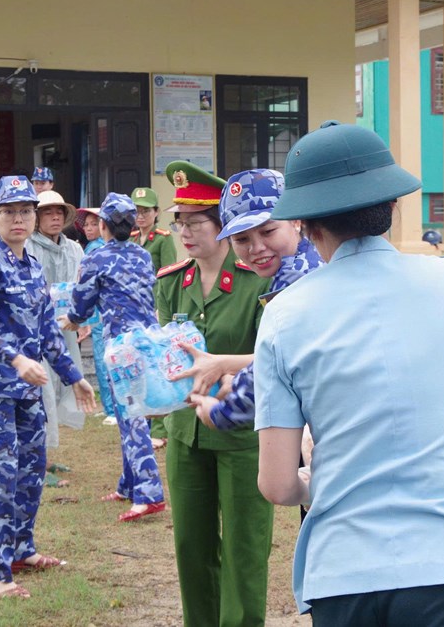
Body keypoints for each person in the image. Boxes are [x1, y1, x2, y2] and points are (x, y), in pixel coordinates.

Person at [254, 121, 444, 626]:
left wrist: (307, 480)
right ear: (393, 208)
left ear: (308, 226)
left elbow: (276, 486)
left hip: (344, 575)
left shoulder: (283, 314)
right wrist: (442, 369)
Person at [0, 174, 96, 599]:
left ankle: (22, 549)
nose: (18, 219)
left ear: (33, 218)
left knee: (32, 471)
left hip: (27, 389)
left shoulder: (32, 267)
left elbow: (47, 332)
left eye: (25, 212)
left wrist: (75, 378)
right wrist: (18, 360)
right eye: (8, 212)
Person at [154, 161, 272, 627]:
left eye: (195, 222)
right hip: (186, 432)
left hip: (242, 434)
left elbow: (270, 359)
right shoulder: (171, 282)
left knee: (244, 547)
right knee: (191, 547)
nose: (184, 231)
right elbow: (165, 357)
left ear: (224, 228)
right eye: (178, 221)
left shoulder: (258, 281)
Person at [184, 168, 323, 432]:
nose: (256, 248)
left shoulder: (296, 278)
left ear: (296, 221)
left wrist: (220, 413)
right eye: (241, 239)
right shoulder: (309, 259)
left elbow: (273, 364)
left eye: (268, 231)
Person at [63, 193, 166, 523]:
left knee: (131, 416)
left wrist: (71, 320)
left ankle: (149, 493)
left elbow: (81, 304)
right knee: (132, 413)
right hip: (147, 341)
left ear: (103, 225)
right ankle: (129, 483)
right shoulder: (142, 255)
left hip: (120, 346)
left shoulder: (96, 259)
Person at [24, 190, 87, 450]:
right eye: (47, 212)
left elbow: (85, 286)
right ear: (37, 218)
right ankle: (42, 453)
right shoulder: (26, 246)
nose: (54, 218)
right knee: (42, 389)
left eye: (58, 212)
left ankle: (49, 450)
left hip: (67, 327)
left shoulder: (74, 248)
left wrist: (83, 319)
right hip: (37, 330)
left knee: (65, 384)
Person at [129, 186, 177, 448]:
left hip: (155, 308)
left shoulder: (163, 238)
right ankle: (144, 420)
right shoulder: (133, 238)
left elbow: (168, 274)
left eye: (146, 210)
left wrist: (162, 307)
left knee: (157, 365)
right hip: (135, 308)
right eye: (137, 211)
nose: (141, 216)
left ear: (156, 212)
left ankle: (160, 427)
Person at [74, 207, 118, 426]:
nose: (89, 228)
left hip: (99, 313)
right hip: (102, 312)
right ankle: (109, 406)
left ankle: (112, 409)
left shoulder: (95, 248)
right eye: (86, 224)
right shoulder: (105, 246)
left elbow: (87, 283)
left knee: (104, 360)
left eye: (94, 224)